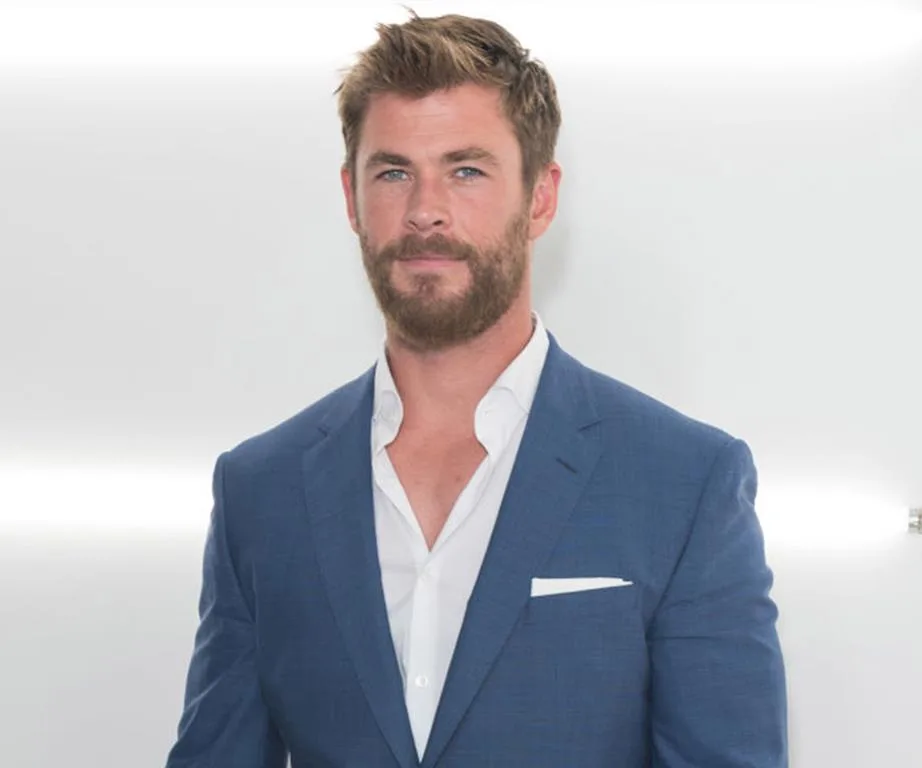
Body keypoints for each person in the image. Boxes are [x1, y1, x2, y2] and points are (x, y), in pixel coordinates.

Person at [166, 10, 787, 768]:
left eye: (466, 170)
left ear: (541, 197)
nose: (425, 210)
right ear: (351, 198)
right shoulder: (260, 491)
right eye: (393, 171)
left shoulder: (685, 483)